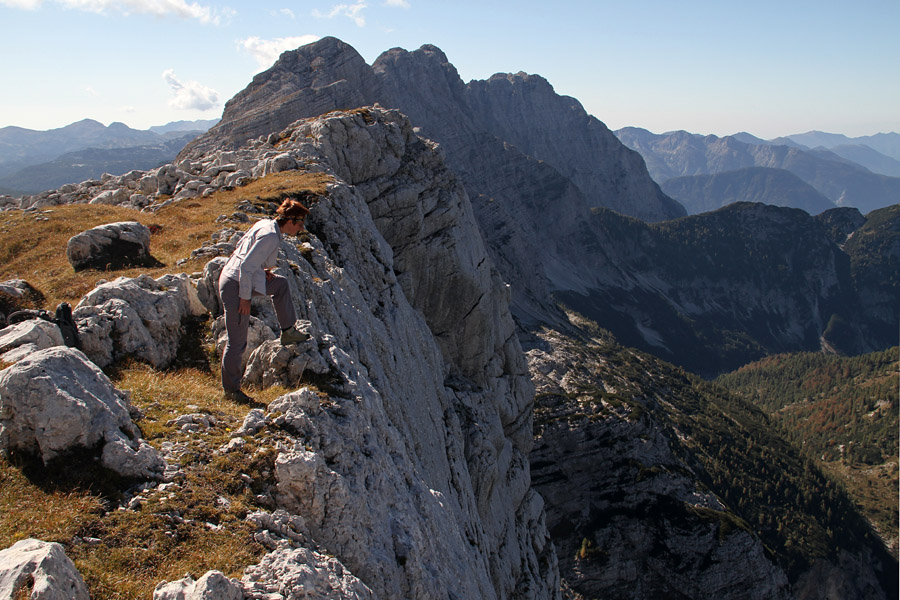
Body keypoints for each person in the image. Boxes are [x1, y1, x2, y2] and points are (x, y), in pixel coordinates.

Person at [218, 197, 310, 403]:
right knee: (237, 342)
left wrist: (263, 270)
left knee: (280, 284)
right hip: (235, 285)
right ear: (291, 221)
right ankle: (231, 391)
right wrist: (244, 299)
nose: (301, 228)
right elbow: (245, 267)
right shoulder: (270, 235)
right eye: (300, 223)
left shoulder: (267, 225)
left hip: (241, 278)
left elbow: (245, 251)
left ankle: (288, 331)